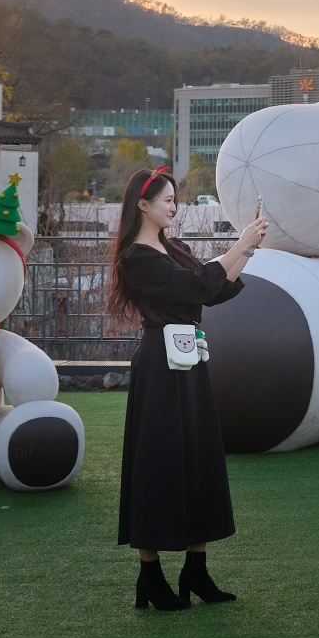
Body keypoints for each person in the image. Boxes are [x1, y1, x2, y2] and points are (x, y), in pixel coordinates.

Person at [107, 167, 269, 611]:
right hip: (160, 365)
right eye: (167, 200)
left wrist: (248, 248)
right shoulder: (136, 257)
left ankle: (196, 572)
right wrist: (240, 243)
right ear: (143, 205)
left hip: (188, 359)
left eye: (175, 200)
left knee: (198, 456)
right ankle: (150, 577)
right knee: (156, 462)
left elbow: (212, 290)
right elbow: (197, 285)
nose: (174, 207)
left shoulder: (171, 247)